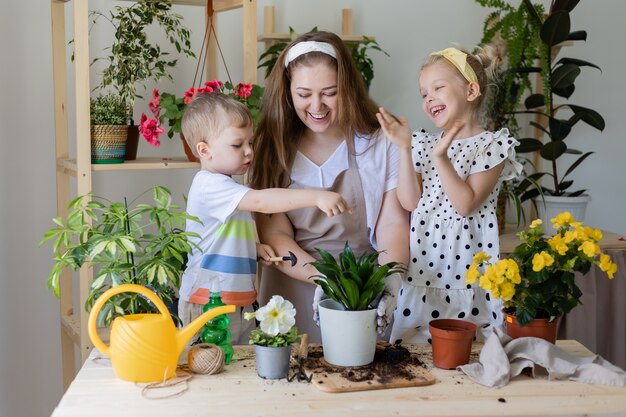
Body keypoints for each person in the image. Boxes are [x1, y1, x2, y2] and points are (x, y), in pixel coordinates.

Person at [250, 31, 409, 342]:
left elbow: (392, 222)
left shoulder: (378, 142)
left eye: (329, 92)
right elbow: (276, 234)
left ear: (347, 89)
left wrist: (389, 278)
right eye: (304, 94)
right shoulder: (272, 148)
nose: (317, 105)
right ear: (287, 92)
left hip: (363, 292)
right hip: (294, 289)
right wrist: (325, 280)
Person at [178, 92, 351, 343]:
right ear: (204, 150)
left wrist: (252, 248)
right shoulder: (209, 185)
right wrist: (316, 196)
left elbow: (220, 237)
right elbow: (261, 200)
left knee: (237, 365)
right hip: (207, 302)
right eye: (237, 145)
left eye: (250, 142)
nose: (249, 151)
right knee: (211, 367)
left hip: (236, 300)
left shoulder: (229, 189)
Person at [376, 46, 522, 344]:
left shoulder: (491, 145)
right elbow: (410, 202)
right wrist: (404, 148)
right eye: (423, 94)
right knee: (414, 353)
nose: (429, 98)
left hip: (468, 269)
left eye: (438, 88)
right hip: (424, 270)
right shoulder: (421, 142)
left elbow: (465, 204)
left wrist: (441, 158)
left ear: (471, 91)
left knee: (470, 350)